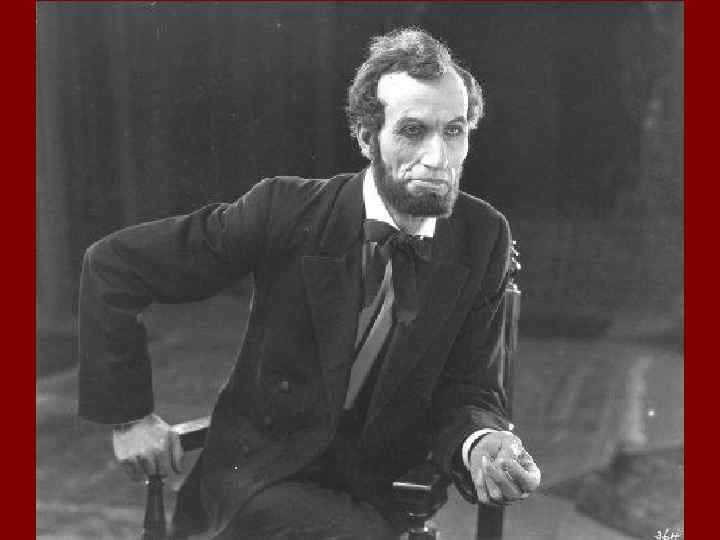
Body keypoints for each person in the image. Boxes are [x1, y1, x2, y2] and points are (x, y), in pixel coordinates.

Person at [78, 27, 541, 539]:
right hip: (258, 480)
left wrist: (480, 443)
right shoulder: (285, 210)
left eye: (454, 131)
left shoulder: (482, 236)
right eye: (413, 131)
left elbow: (471, 387)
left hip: (377, 491)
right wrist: (129, 418)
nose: (438, 158)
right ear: (366, 137)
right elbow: (113, 264)